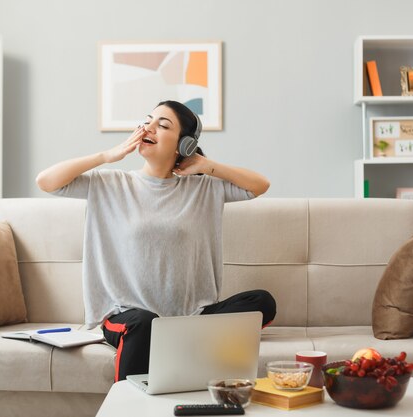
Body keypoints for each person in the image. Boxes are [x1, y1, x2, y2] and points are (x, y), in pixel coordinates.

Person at [36, 100, 276, 382]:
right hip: (127, 314)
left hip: (190, 316)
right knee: (145, 323)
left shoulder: (204, 188)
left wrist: (206, 165)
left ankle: (180, 335)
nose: (147, 127)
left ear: (184, 145)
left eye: (162, 125)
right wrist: (106, 155)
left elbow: (259, 185)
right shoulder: (110, 183)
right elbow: (46, 181)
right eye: (148, 120)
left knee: (263, 301)